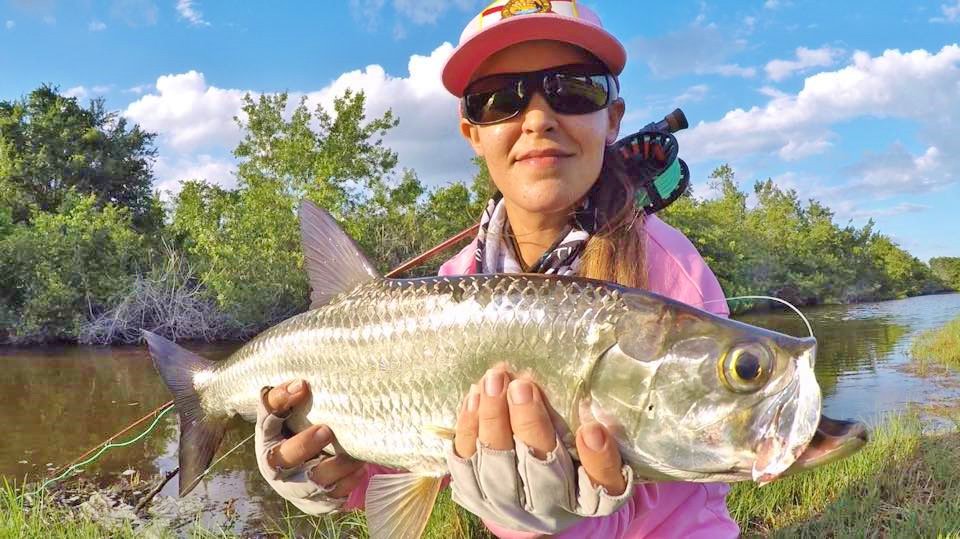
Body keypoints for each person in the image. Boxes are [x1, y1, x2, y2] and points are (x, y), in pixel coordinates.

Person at [254, 1, 740, 537]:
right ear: (472, 134)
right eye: (498, 100)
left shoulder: (669, 268)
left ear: (613, 120)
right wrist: (323, 478)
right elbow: (400, 457)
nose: (537, 119)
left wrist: (558, 525)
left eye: (574, 89)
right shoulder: (452, 281)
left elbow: (694, 474)